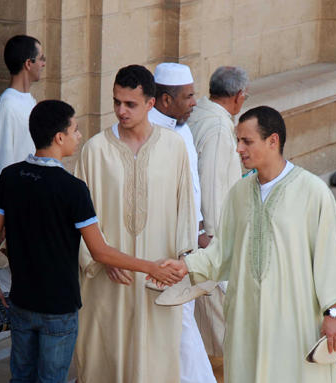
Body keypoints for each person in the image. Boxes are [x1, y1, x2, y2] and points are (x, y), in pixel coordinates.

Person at [0, 99, 186, 383]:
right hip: (59, 309)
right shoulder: (73, 189)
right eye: (75, 130)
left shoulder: (10, 177)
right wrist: (150, 267)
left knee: (21, 377)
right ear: (59, 137)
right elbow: (100, 252)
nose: (79, 137)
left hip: (21, 302)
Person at [167, 106, 336, 383]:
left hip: (295, 321)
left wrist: (333, 313)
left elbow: (330, 258)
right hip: (247, 321)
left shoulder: (312, 192)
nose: (238, 149)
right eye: (237, 140)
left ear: (273, 141)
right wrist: (183, 267)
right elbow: (221, 254)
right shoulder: (239, 194)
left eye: (247, 141)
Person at [73, 65, 196, 383]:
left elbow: (186, 209)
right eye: (116, 102)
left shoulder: (173, 147)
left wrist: (182, 260)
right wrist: (102, 258)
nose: (121, 111)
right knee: (106, 358)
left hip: (159, 278)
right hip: (109, 279)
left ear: (151, 104)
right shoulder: (95, 151)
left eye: (130, 104)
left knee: (155, 361)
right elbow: (80, 218)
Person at [148, 62, 215, 383]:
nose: (194, 103)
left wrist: (200, 229)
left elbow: (193, 186)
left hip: (187, 241)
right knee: (176, 319)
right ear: (164, 101)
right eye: (188, 97)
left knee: (182, 316)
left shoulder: (183, 129)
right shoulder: (148, 132)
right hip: (158, 246)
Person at [186, 65, 248, 357]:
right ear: (238, 96)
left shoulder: (199, 112)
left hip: (196, 226)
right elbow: (210, 183)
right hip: (209, 232)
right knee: (222, 298)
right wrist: (211, 234)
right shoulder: (220, 128)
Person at [0, 34, 45, 221]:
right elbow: (0, 166)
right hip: (17, 210)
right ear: (28, 63)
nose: (43, 64)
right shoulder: (8, 106)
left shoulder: (28, 101)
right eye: (41, 58)